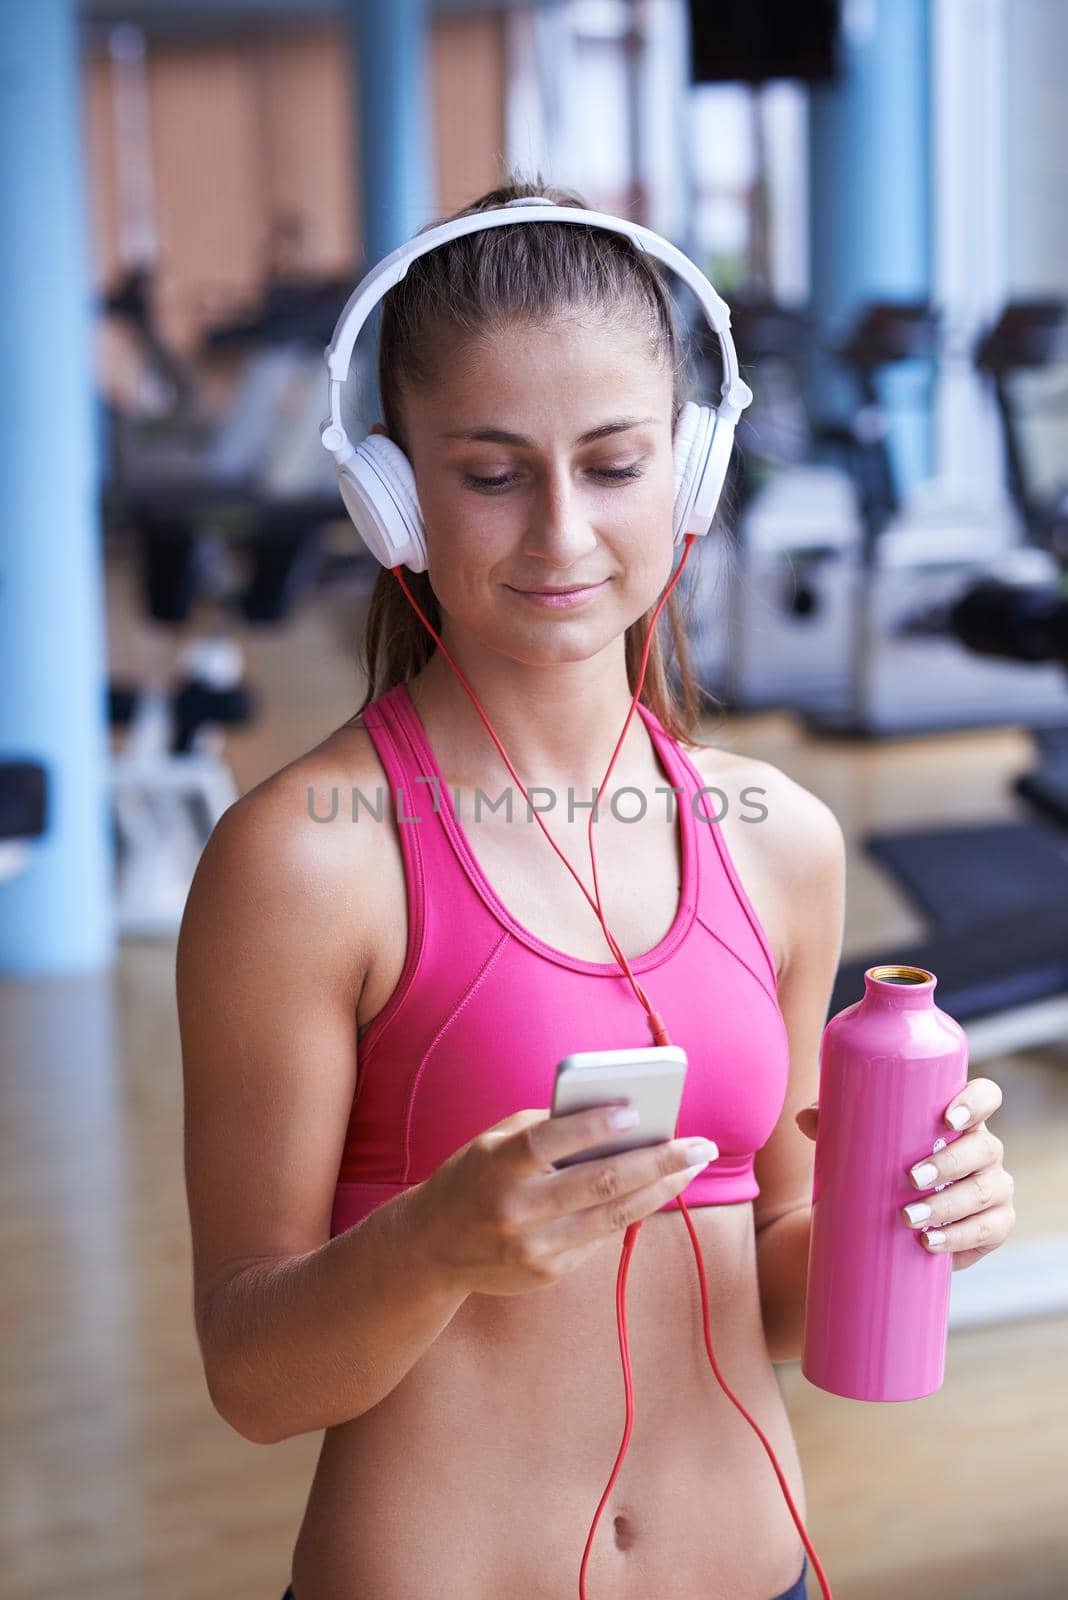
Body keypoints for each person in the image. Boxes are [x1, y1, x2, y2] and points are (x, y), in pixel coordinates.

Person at [177, 175, 1016, 1600]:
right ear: (391, 491)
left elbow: (772, 1280)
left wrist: (912, 1217)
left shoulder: (780, 839)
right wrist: (437, 1245)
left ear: (690, 471)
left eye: (616, 464)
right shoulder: (308, 859)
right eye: (493, 473)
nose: (562, 534)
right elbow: (257, 1380)